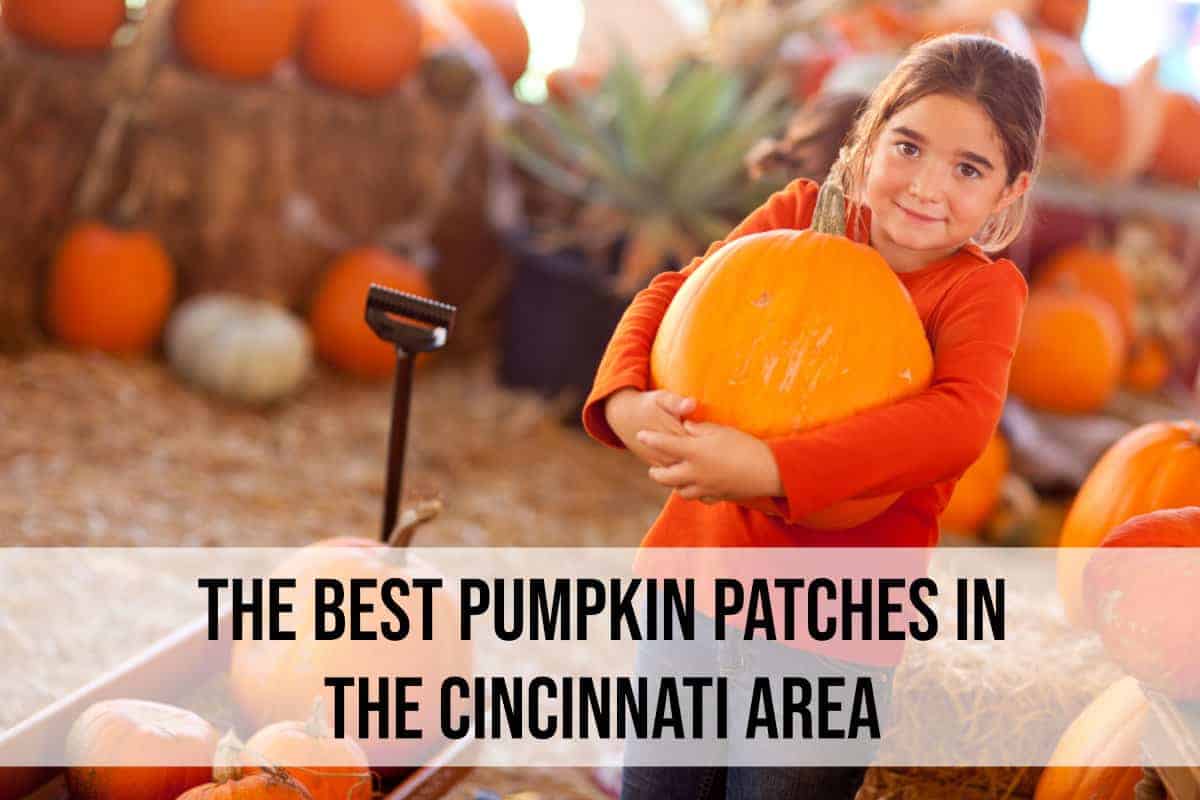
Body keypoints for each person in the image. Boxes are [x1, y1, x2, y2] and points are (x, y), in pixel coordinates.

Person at [580, 33, 1045, 800]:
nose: (927, 186)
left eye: (968, 169)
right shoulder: (798, 214)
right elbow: (672, 296)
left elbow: (956, 422)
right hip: (696, 582)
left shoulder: (980, 295)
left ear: (1007, 192)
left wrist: (771, 469)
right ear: (867, 143)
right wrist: (627, 399)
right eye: (908, 147)